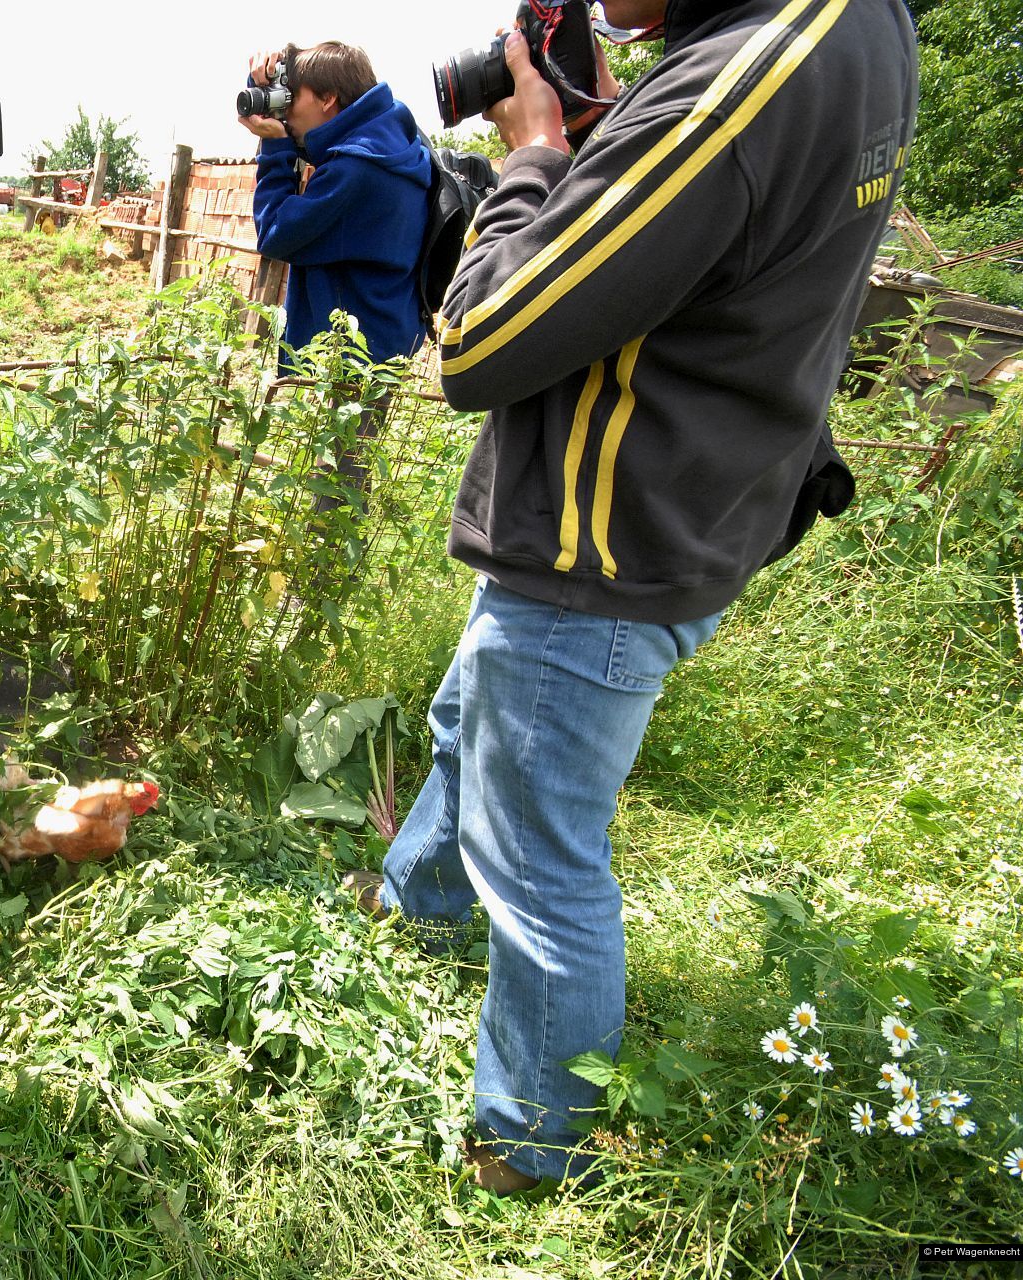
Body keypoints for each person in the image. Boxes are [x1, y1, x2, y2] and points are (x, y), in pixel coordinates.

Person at [345, 0, 917, 1192]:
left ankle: (527, 1139)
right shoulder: (856, 30)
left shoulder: (742, 82)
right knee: (472, 731)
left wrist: (537, 155)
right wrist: (611, 127)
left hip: (605, 543)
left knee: (542, 852)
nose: (601, 7)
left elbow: (482, 343)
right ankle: (413, 904)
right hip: (685, 507)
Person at [240, 42, 430, 523]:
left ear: (327, 99)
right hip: (381, 334)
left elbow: (277, 232)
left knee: (338, 486)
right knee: (343, 471)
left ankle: (317, 587)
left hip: (355, 352)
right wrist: (267, 91)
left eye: (292, 97)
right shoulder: (393, 144)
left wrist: (276, 149)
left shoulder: (356, 168)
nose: (287, 110)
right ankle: (321, 574)